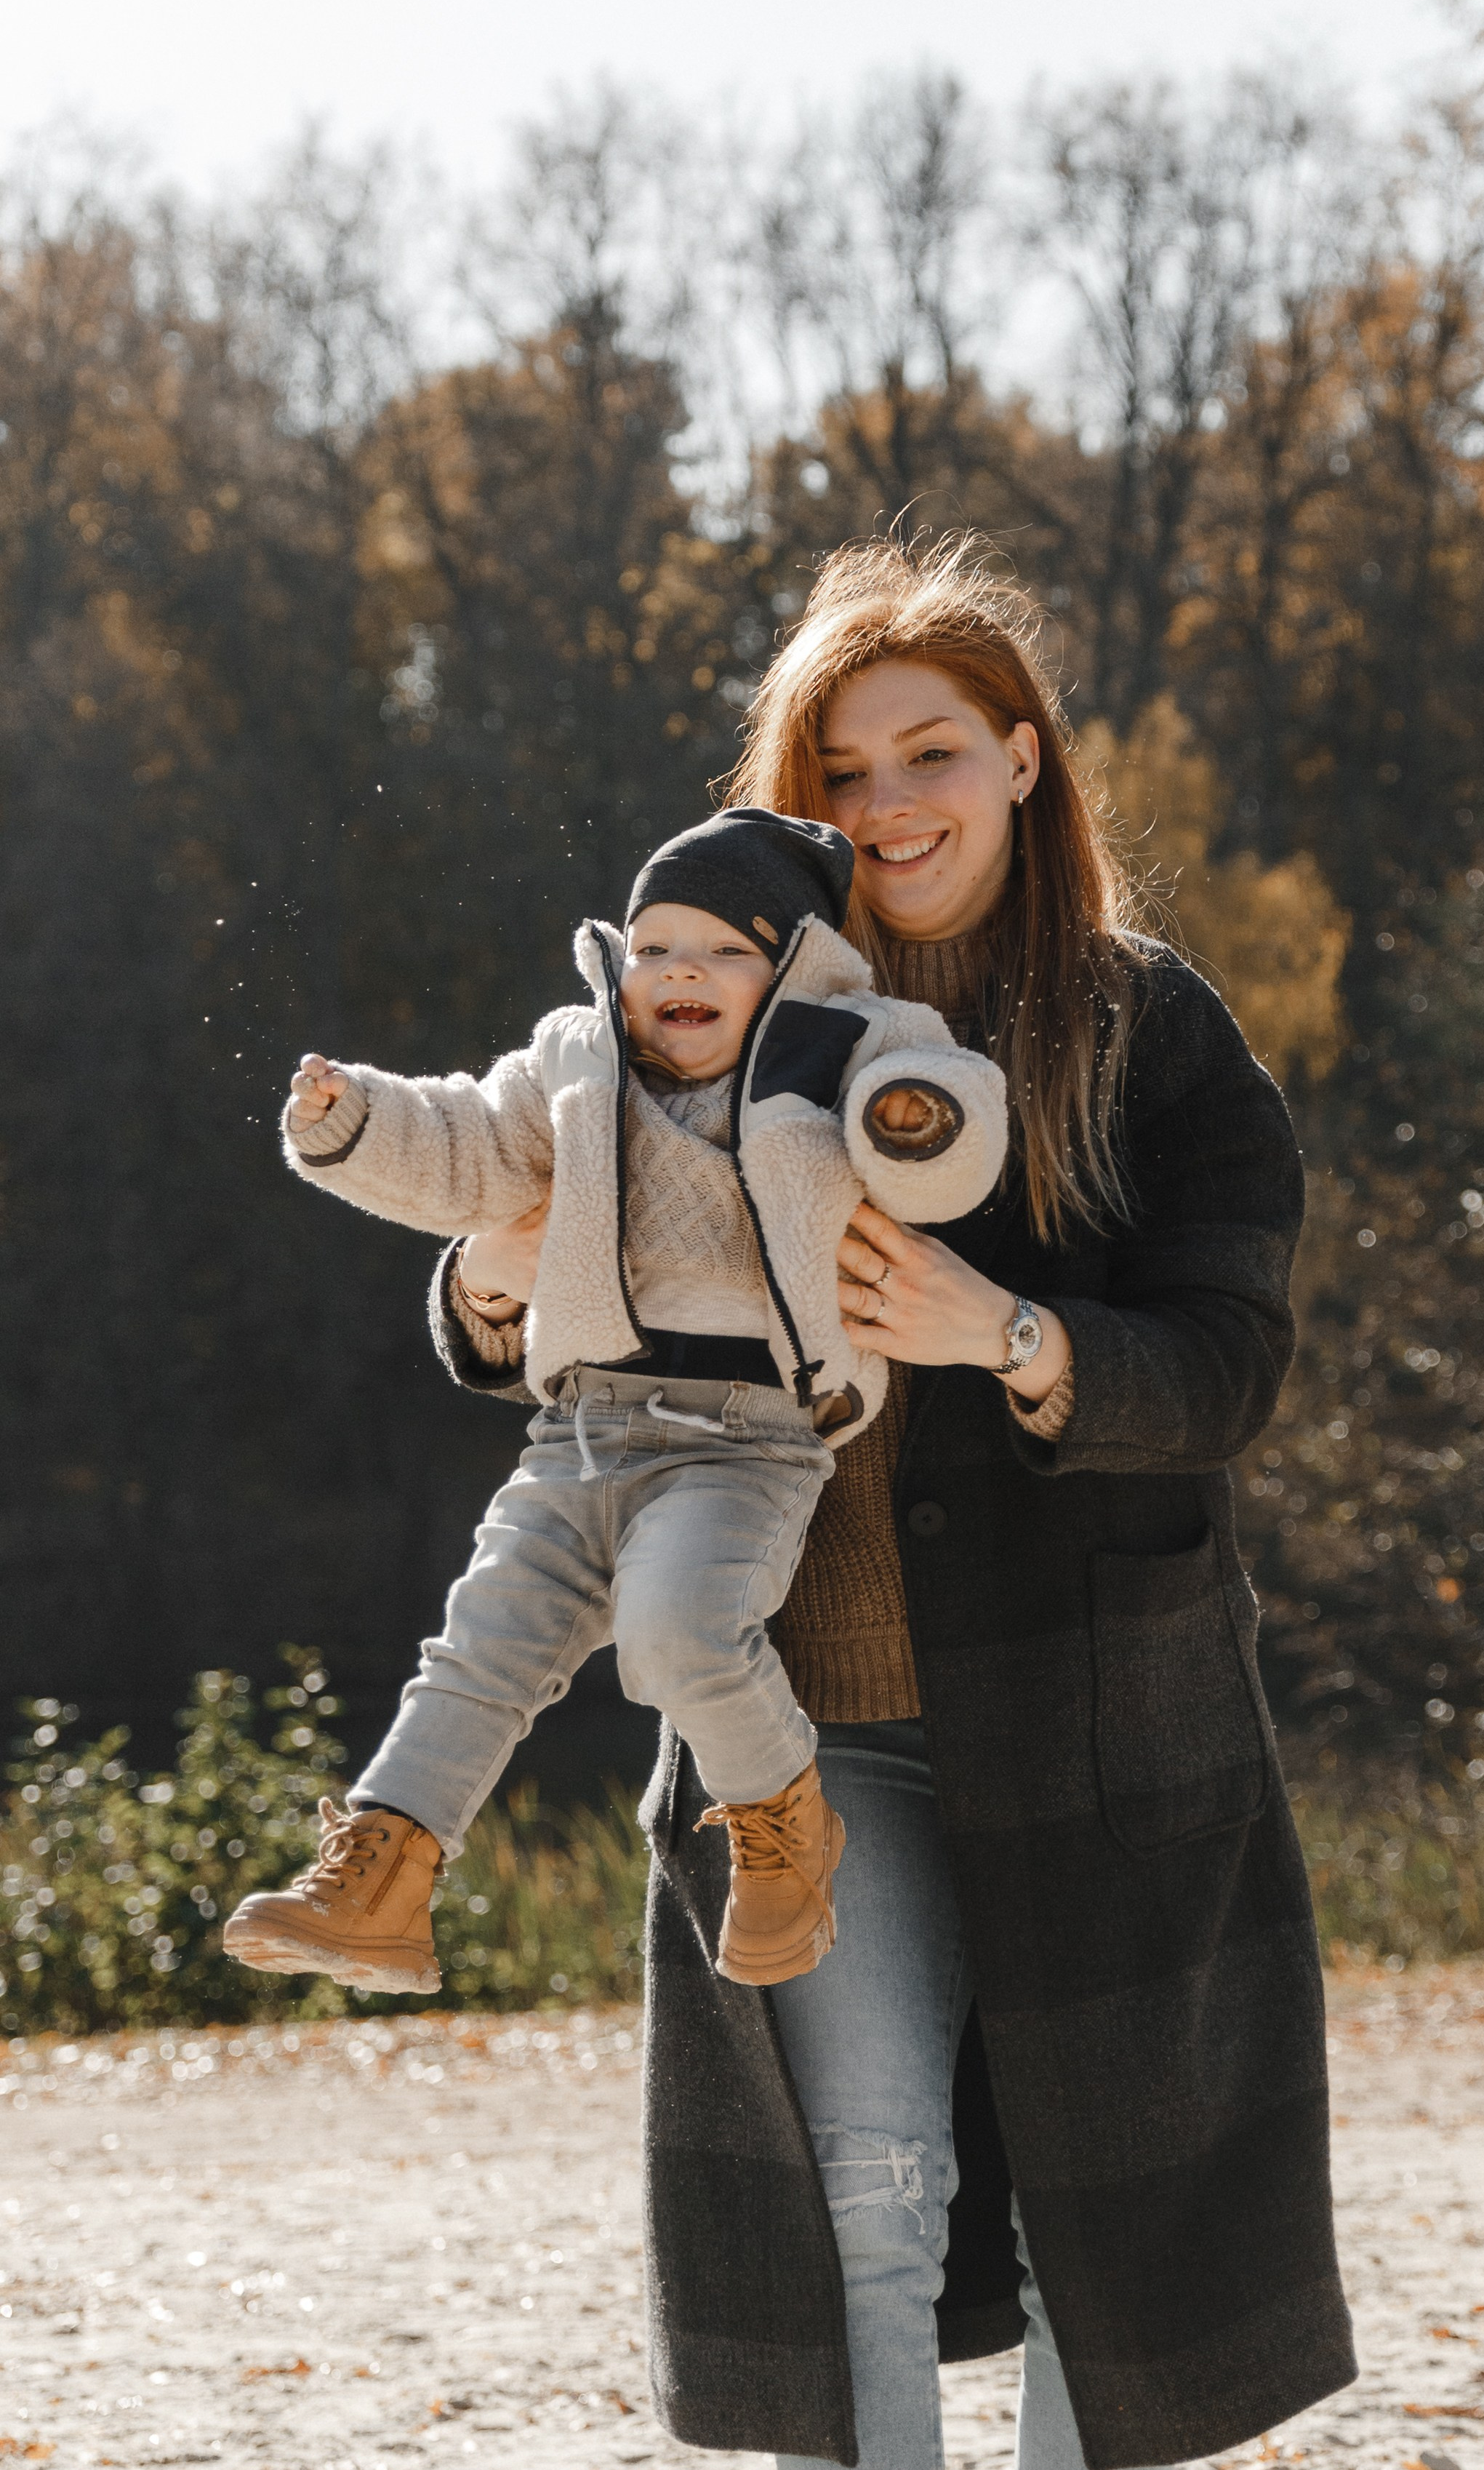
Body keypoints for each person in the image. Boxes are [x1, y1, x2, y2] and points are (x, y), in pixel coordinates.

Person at [430, 540, 1357, 2470]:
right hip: (801, 1728)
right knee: (858, 2200)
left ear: (1024, 761)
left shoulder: (1143, 1031)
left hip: (1099, 1730)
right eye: (839, 773)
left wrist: (1005, 1332)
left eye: (929, 750)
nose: (887, 806)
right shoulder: (702, 1002)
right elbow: (533, 1198)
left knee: (1096, 2235)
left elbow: (1227, 1360)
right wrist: (487, 1292)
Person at [221, 806, 1006, 1992]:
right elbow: (469, 1147)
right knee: (479, 1646)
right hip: (581, 1427)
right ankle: (383, 1880)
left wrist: (911, 1121)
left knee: (680, 1626)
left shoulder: (843, 1044)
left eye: (724, 951)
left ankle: (786, 1819)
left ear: (790, 961)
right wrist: (359, 1119)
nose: (680, 971)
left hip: (748, 1440)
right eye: (654, 948)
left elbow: (949, 1111)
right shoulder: (575, 1065)